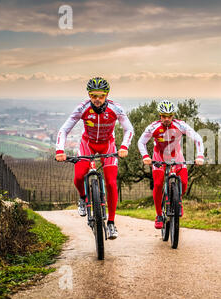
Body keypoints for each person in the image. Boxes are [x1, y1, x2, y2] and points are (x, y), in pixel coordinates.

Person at [55, 77, 134, 239]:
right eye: (93, 96)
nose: (97, 100)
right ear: (89, 95)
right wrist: (59, 150)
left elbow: (129, 129)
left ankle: (111, 223)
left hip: (108, 144)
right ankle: (83, 198)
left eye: (100, 96)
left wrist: (124, 146)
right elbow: (64, 130)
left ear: (106, 95)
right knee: (78, 177)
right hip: (88, 144)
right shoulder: (82, 108)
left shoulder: (115, 108)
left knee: (111, 183)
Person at [138, 100, 204, 229]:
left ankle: (178, 201)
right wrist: (145, 156)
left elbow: (198, 138)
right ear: (160, 116)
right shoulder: (153, 127)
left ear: (173, 116)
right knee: (157, 184)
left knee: (184, 183)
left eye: (169, 116)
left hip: (176, 156)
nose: (167, 119)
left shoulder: (181, 125)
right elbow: (141, 142)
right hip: (159, 156)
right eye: (164, 116)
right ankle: (158, 215)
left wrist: (200, 156)